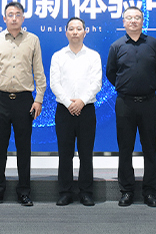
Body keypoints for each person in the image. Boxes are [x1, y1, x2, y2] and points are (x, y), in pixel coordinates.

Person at [0, 1, 46, 206]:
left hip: (24, 101)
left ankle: (24, 192)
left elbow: (39, 72)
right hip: (0, 100)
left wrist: (38, 99)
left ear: (23, 18)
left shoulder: (33, 40)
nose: (14, 18)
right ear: (4, 18)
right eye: (10, 14)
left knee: (24, 148)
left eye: (18, 14)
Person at [105, 6, 156, 208]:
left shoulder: (154, 44)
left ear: (142, 20)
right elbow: (111, 73)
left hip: (149, 103)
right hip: (125, 103)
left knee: (150, 148)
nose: (133, 21)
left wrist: (148, 87)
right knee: (125, 148)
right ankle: (127, 191)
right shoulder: (116, 46)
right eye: (129, 18)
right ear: (123, 22)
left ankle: (150, 192)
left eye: (137, 17)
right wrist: (127, 87)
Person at [49, 17, 102, 207]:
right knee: (65, 154)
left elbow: (96, 83)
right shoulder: (58, 56)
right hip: (64, 110)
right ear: (66, 32)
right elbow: (54, 83)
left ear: (85, 32)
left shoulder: (93, 56)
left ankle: (86, 192)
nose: (75, 32)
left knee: (86, 153)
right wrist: (68, 103)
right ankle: (65, 192)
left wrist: (81, 101)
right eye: (71, 29)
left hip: (86, 109)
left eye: (79, 28)